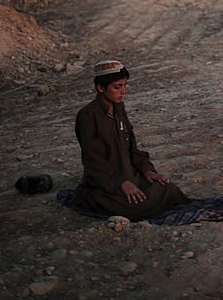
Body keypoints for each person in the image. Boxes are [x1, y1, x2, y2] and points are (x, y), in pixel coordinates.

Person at [72, 60, 189, 219]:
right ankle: (90, 198)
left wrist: (147, 170)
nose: (123, 91)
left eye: (125, 85)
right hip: (106, 184)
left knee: (169, 189)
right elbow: (93, 161)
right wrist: (121, 183)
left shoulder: (119, 108)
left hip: (130, 175)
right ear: (100, 88)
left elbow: (132, 148)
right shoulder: (87, 116)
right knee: (141, 207)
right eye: (117, 87)